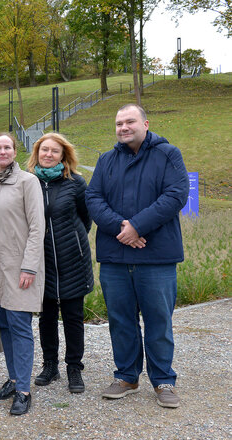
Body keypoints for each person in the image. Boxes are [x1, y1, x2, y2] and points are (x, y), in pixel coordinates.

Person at [86, 104, 189, 408]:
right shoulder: (106, 160)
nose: (123, 127)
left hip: (156, 257)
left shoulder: (168, 154)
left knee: (158, 320)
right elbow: (94, 198)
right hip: (115, 256)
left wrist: (138, 226)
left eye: (129, 121)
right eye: (118, 123)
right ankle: (127, 376)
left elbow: (175, 195)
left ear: (146, 123)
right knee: (120, 320)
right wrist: (122, 227)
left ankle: (163, 380)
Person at [0, 132, 44, 415]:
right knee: (3, 325)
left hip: (19, 269)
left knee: (20, 327)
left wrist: (29, 266)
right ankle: (14, 378)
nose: (2, 151)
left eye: (7, 147)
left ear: (15, 152)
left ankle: (24, 391)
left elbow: (37, 227)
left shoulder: (28, 182)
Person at [27, 133, 93, 394]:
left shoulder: (76, 183)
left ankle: (74, 368)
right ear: (37, 153)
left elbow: (85, 219)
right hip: (41, 260)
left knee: (74, 316)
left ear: (63, 155)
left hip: (72, 260)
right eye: (44, 150)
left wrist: (72, 242)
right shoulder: (28, 182)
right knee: (47, 316)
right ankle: (50, 365)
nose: (49, 155)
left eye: (55, 151)